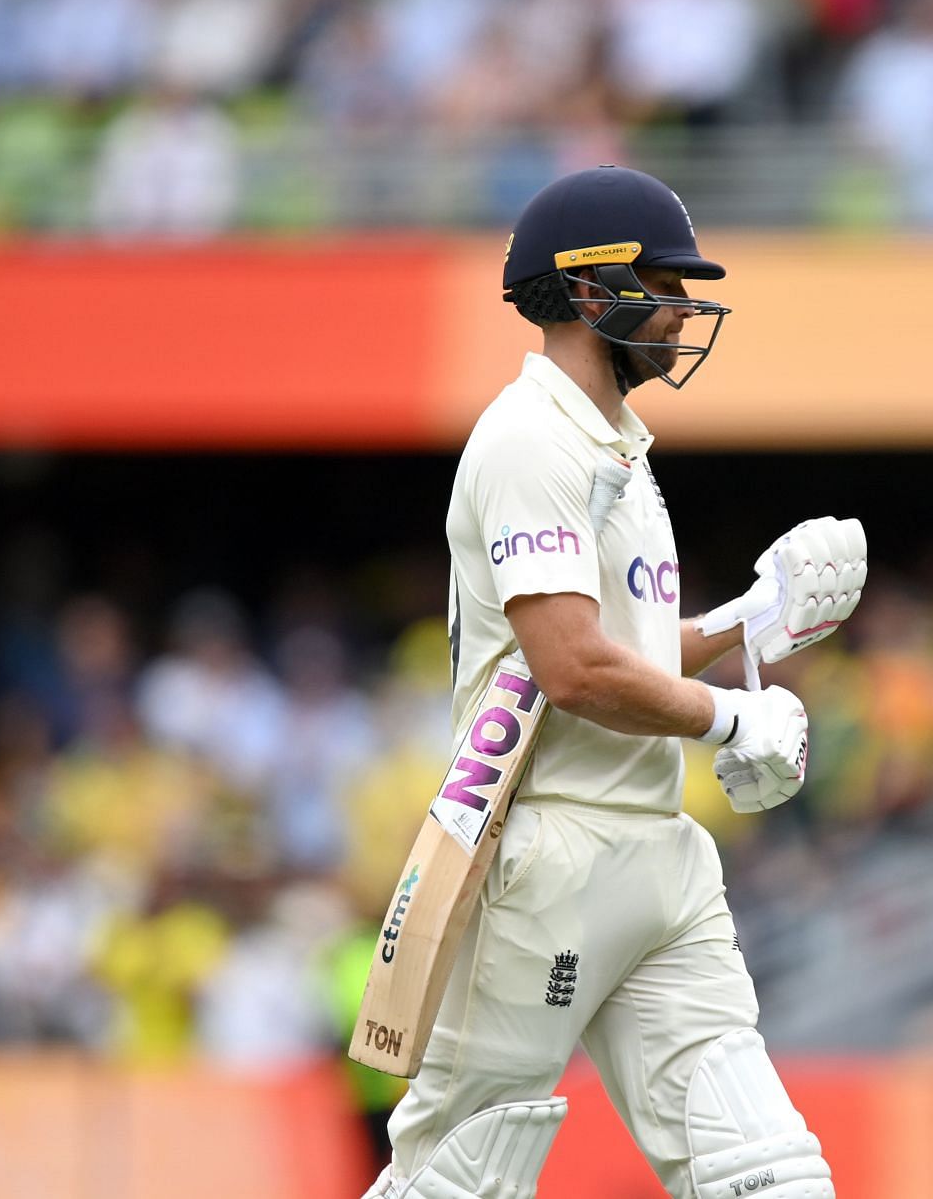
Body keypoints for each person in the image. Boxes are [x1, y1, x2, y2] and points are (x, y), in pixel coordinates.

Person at [362, 165, 866, 1198]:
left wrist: (742, 625)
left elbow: (619, 646)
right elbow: (570, 667)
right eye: (666, 284)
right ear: (593, 294)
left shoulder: (617, 450)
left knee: (766, 1175)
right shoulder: (528, 439)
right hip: (549, 849)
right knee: (460, 1176)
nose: (685, 309)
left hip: (658, 859)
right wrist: (731, 718)